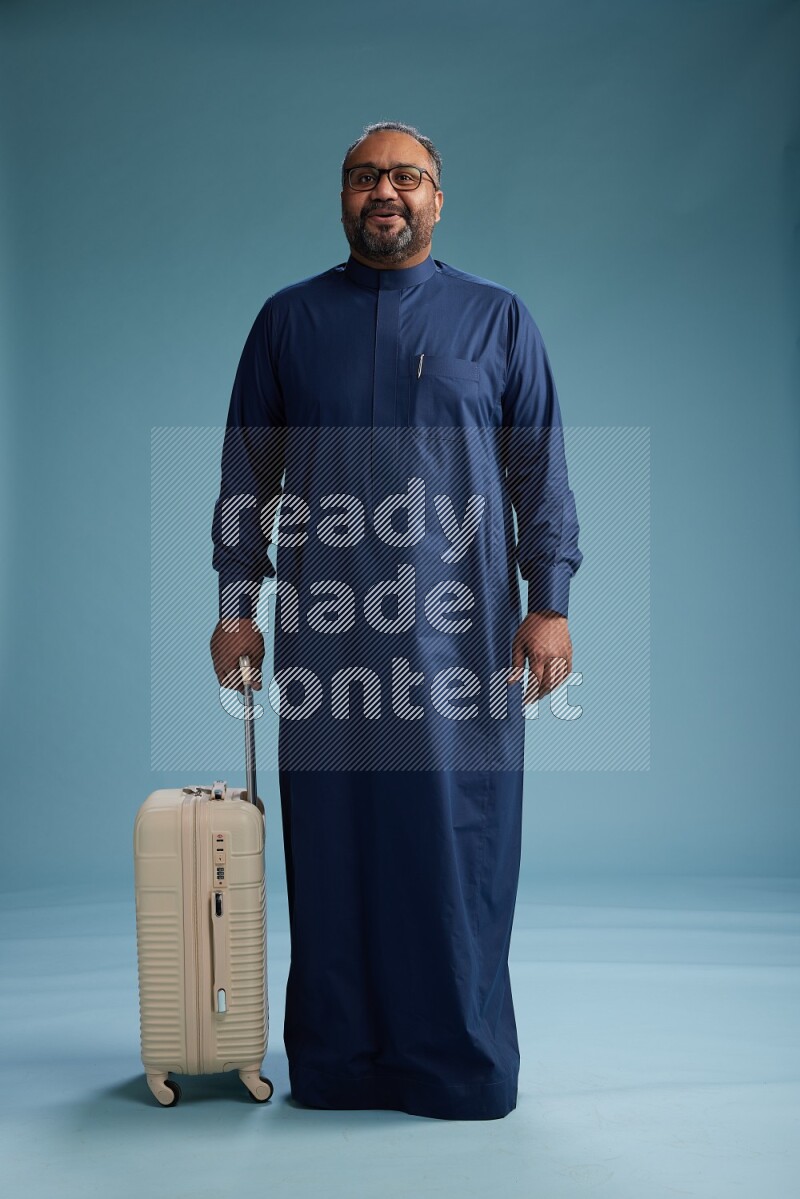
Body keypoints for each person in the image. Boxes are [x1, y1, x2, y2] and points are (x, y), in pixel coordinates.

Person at [210, 121, 582, 1120]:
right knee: (332, 841)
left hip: (458, 636)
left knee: (452, 840)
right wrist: (233, 607)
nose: (386, 191)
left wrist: (549, 604)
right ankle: (337, 1060)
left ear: (437, 198)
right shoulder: (289, 323)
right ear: (342, 196)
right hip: (328, 633)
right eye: (366, 176)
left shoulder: (494, 322)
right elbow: (248, 474)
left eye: (406, 176)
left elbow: (538, 472)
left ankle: (456, 1062)